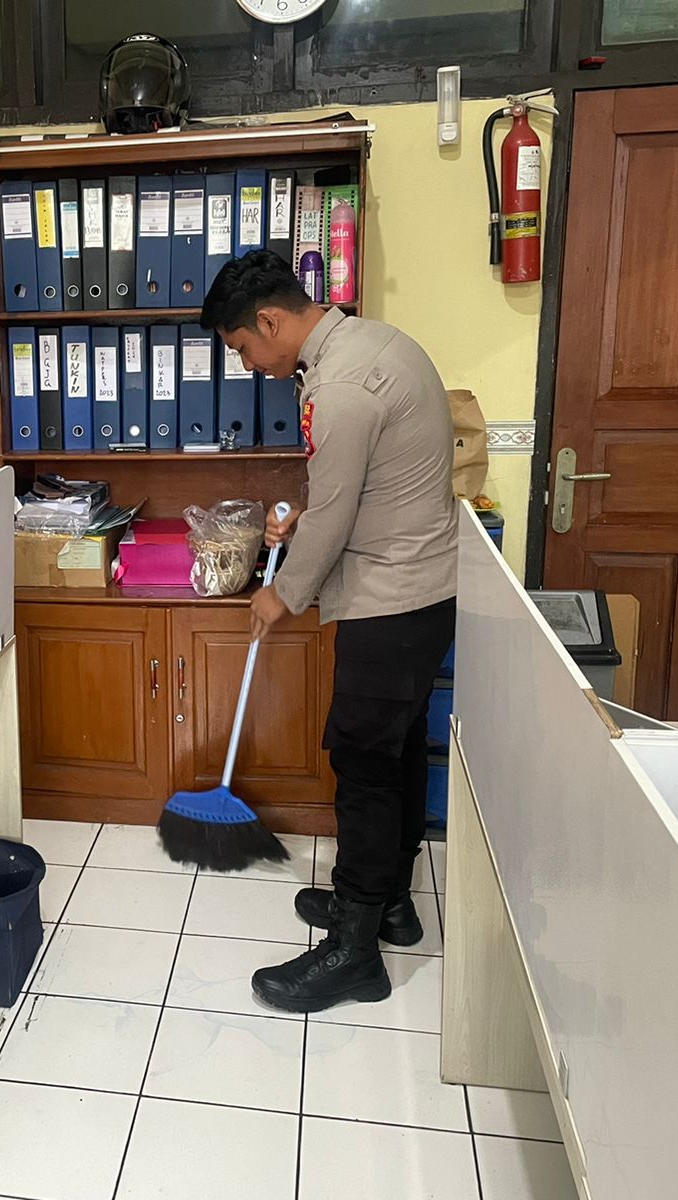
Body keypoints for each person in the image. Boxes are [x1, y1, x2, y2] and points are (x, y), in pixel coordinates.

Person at [199, 249, 458, 1014]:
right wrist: (307, 518)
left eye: (243, 348)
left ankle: (355, 952)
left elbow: (340, 513)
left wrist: (280, 593)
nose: (248, 366)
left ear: (270, 320)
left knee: (364, 766)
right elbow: (369, 484)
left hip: (390, 600)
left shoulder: (340, 386)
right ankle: (390, 905)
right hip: (422, 593)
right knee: (396, 754)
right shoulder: (374, 344)